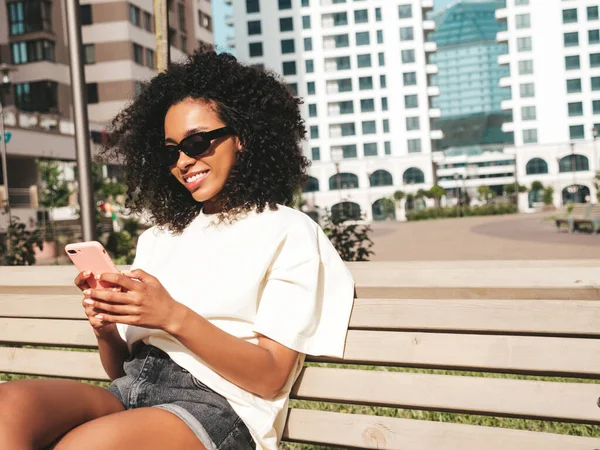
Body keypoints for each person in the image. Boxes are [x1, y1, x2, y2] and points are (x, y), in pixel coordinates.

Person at [0, 48, 355, 450]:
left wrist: (171, 315)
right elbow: (120, 370)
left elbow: (271, 375)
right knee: (7, 407)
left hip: (219, 410)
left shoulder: (288, 231)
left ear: (243, 137)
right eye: (171, 151)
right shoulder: (159, 237)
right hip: (132, 394)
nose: (184, 161)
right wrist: (107, 330)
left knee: (86, 445)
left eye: (198, 142)